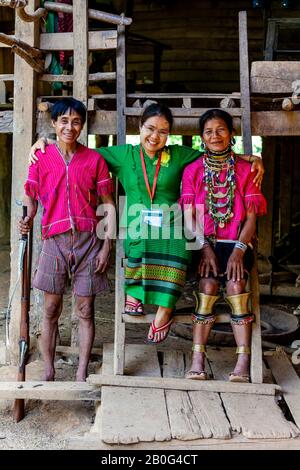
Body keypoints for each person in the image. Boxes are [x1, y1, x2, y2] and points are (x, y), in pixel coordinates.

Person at [28, 103, 264, 344]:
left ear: (169, 134)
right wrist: (45, 142)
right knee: (140, 236)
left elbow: (214, 154)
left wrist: (251, 157)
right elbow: (80, 152)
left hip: (170, 222)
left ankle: (165, 308)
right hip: (135, 220)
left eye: (163, 131)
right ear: (140, 127)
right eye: (150, 128)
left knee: (180, 245)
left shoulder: (179, 154)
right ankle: (135, 291)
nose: (155, 136)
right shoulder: (123, 154)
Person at [20, 97, 115, 381]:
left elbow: (107, 204)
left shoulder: (94, 159)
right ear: (54, 123)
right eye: (64, 121)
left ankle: (82, 372)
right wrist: (27, 217)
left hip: (89, 242)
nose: (70, 127)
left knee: (85, 310)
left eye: (76, 122)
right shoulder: (41, 157)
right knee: (51, 308)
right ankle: (49, 369)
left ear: (82, 126)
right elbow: (31, 196)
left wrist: (106, 244)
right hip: (55, 240)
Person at [180, 109, 267, 382]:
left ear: (231, 134)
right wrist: (204, 247)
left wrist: (239, 251)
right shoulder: (192, 170)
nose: (214, 136)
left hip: (238, 242)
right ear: (201, 138)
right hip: (204, 241)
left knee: (236, 286)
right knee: (206, 287)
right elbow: (189, 217)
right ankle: (197, 358)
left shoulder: (245, 169)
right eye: (208, 132)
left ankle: (243, 360)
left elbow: (251, 217)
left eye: (220, 130)